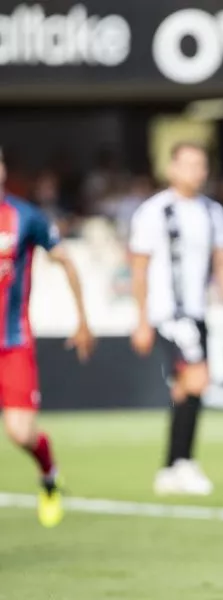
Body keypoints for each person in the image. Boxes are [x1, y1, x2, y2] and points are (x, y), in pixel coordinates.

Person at [129, 142, 223, 496]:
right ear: (172, 168)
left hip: (197, 312)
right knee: (197, 380)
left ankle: (171, 466)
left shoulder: (212, 212)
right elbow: (139, 269)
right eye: (187, 164)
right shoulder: (154, 211)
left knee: (185, 388)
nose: (195, 172)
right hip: (169, 313)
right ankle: (183, 464)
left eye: (200, 165)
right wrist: (140, 319)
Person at [0, 147, 95, 527]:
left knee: (21, 433)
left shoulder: (25, 216)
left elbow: (65, 260)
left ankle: (49, 473)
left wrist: (82, 320)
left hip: (13, 342)